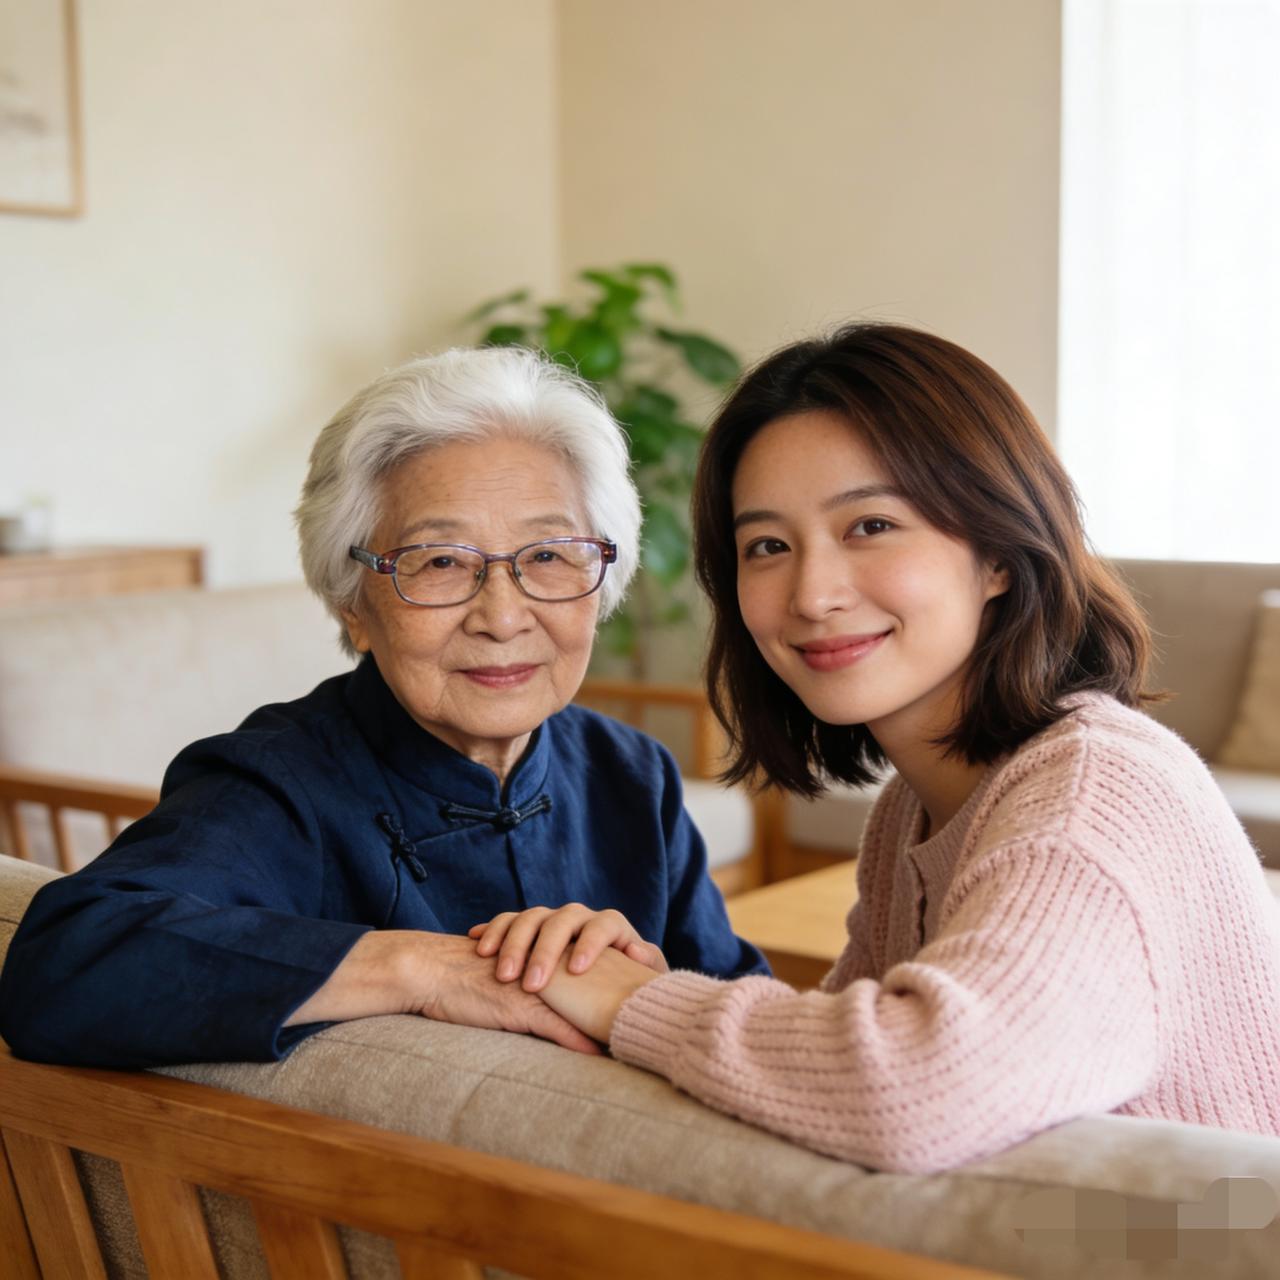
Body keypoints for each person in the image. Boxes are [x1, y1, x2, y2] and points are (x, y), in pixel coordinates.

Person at [493, 322, 1280, 1174]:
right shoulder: (918, 804)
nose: (813, 593)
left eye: (870, 525)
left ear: (999, 555)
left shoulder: (1093, 796)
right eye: (767, 546)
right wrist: (637, 986)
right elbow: (839, 1082)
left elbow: (921, 1091)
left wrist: (643, 1004)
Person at [0, 346, 766, 1069]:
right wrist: (424, 967)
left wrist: (655, 996)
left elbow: (743, 1017)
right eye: (439, 562)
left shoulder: (630, 773)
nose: (503, 616)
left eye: (547, 556)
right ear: (351, 603)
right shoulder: (279, 786)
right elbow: (62, 964)